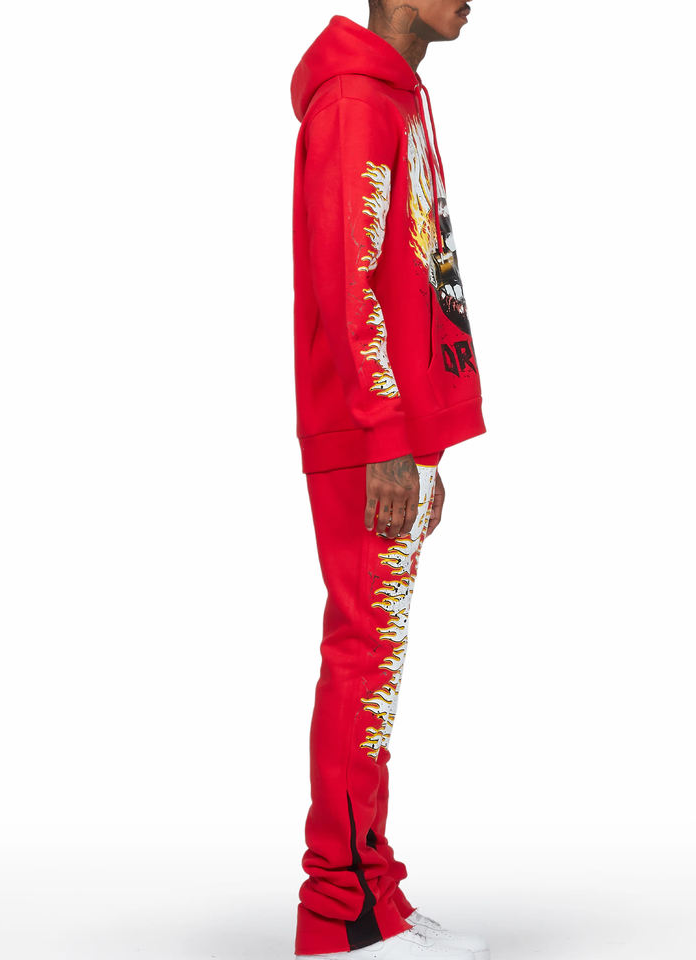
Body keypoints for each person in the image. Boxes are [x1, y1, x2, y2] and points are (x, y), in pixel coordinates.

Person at [290, 4, 487, 958]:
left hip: (390, 435)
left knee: (377, 665)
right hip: (366, 434)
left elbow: (411, 271)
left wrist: (423, 446)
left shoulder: (398, 97)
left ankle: (376, 897)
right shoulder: (356, 103)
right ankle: (341, 919)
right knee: (363, 659)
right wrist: (385, 438)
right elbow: (348, 276)